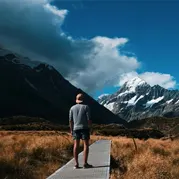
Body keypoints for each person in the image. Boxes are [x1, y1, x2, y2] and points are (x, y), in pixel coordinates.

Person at [69, 93, 93, 169]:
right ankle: (85, 163)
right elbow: (89, 119)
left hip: (75, 128)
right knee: (86, 145)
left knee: (76, 145)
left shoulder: (72, 108)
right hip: (85, 128)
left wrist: (71, 129)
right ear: (83, 100)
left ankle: (76, 164)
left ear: (76, 100)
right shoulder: (86, 107)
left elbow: (70, 120)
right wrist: (90, 127)